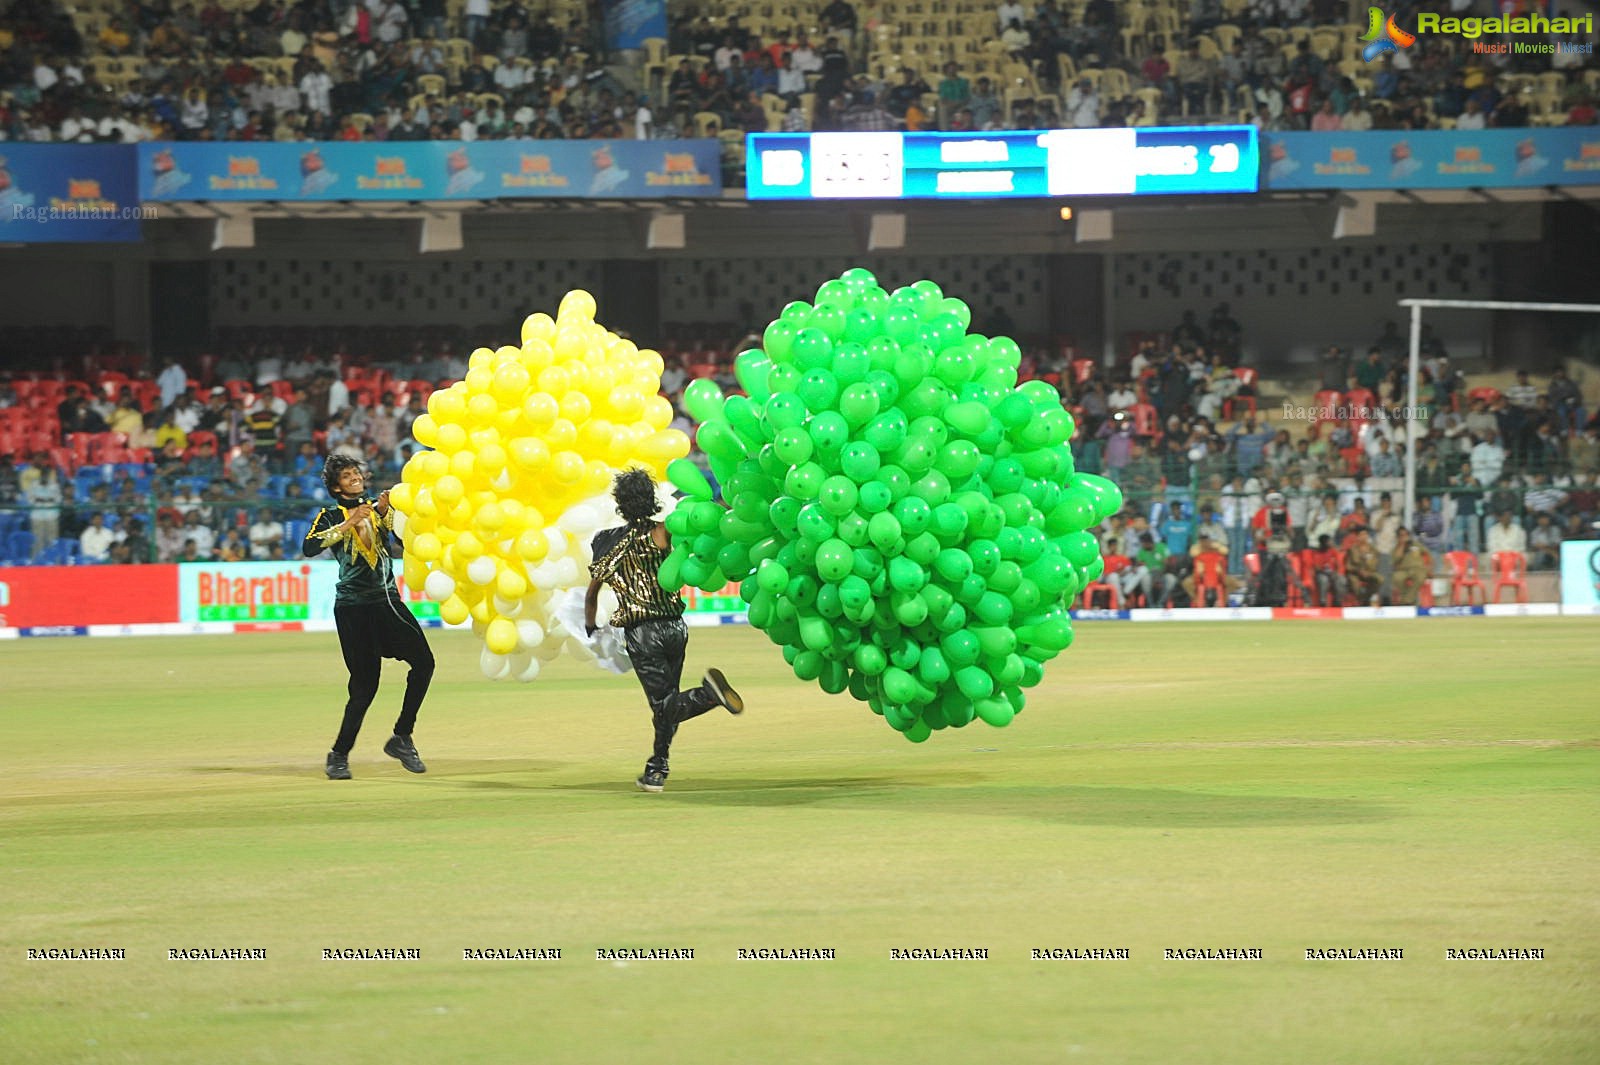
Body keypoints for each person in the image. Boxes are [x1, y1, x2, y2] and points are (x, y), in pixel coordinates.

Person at [584, 468, 744, 793]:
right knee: (668, 703)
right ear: (651, 499)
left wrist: (590, 623)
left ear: (620, 503)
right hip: (676, 628)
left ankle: (708, 695)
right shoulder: (664, 532)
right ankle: (656, 769)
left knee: (664, 705)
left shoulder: (605, 542)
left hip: (642, 634)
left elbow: (592, 591)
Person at [304, 454, 434, 781]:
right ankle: (338, 755)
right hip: (353, 608)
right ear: (336, 486)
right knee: (364, 687)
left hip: (387, 601)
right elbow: (309, 547)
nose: (355, 479)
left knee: (425, 663)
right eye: (347, 476)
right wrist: (349, 522)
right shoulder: (330, 514)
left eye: (356, 473)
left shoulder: (378, 509)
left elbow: (406, 540)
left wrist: (389, 511)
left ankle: (402, 736)